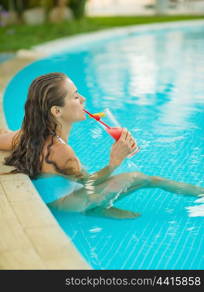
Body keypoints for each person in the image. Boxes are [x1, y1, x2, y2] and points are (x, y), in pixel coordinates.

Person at [0, 72, 203, 219]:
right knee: (143, 178)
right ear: (56, 111)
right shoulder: (61, 151)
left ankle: (99, 208)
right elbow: (89, 184)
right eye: (75, 96)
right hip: (69, 205)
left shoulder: (29, 135)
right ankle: (201, 194)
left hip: (57, 193)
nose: (83, 99)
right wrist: (114, 163)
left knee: (88, 171)